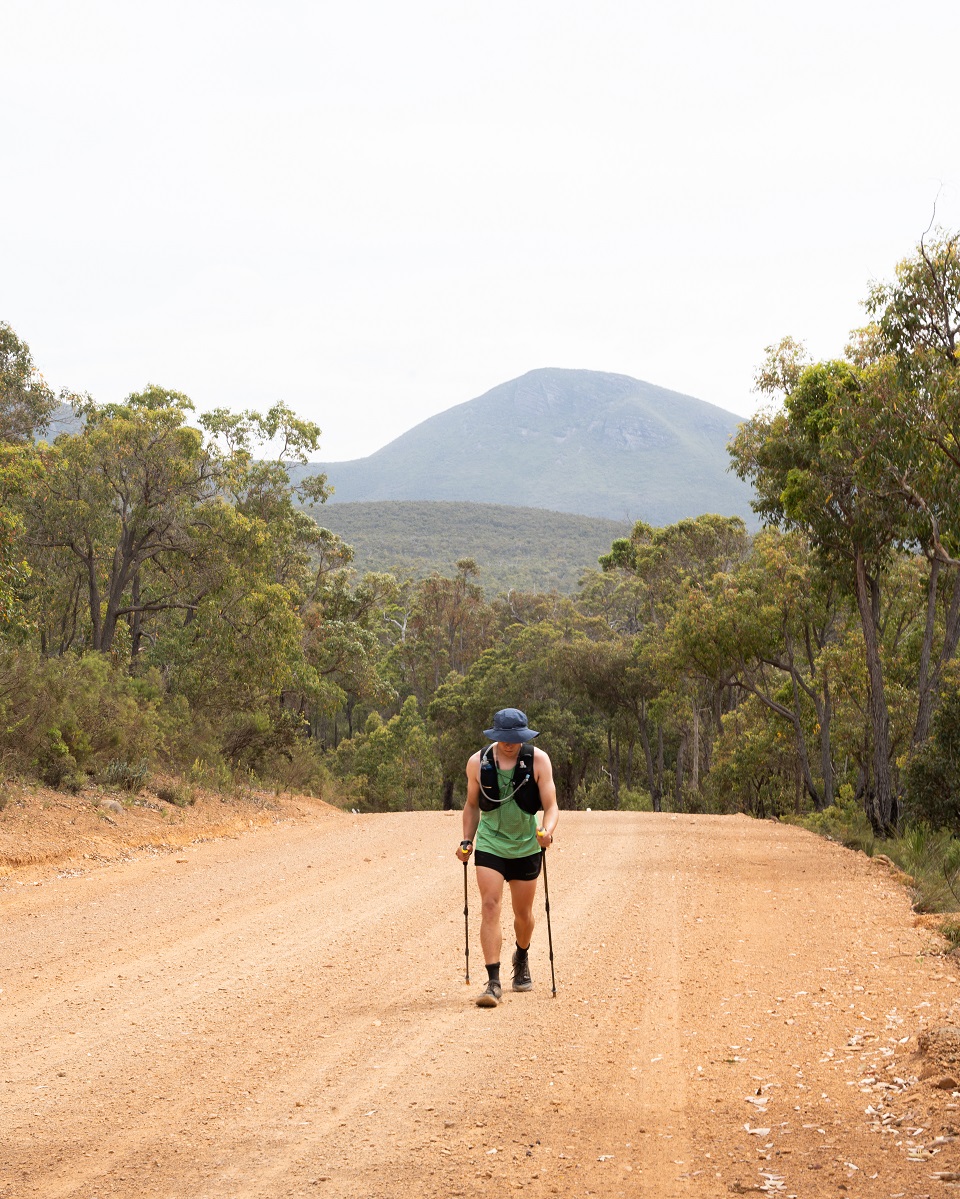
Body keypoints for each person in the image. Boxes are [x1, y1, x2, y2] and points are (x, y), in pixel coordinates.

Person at [456, 708, 558, 1007]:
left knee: (523, 915)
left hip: (526, 845)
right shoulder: (478, 762)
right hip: (490, 844)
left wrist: (546, 831)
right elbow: (472, 805)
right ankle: (493, 981)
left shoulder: (538, 761)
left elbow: (551, 806)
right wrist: (466, 840)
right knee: (489, 906)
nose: (509, 744)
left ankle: (522, 955)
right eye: (504, 738)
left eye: (515, 738)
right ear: (495, 735)